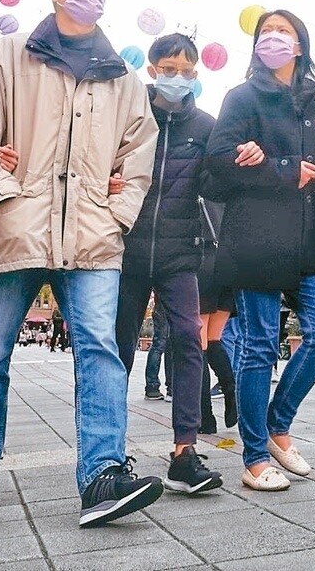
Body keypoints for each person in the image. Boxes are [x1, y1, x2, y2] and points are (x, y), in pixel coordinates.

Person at [0, 0, 162, 528]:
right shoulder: (11, 55)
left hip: (94, 237)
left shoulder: (122, 75)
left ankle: (102, 476)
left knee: (100, 349)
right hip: (18, 227)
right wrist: (1, 194)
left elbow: (139, 155)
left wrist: (117, 210)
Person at [202, 9, 315, 492]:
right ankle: (256, 455)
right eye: (266, 33)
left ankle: (276, 422)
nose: (273, 39)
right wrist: (281, 166)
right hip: (258, 238)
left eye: (283, 32)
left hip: (310, 238)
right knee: (259, 346)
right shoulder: (242, 97)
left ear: (300, 46)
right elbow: (217, 162)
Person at [114, 32, 244, 494]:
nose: (177, 79)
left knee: (190, 342)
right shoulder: (128, 117)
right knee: (118, 349)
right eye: (169, 70)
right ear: (151, 71)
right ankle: (108, 453)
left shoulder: (206, 127)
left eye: (187, 72)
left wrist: (241, 161)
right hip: (123, 251)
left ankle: (184, 453)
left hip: (182, 255)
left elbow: (219, 186)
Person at [197, 196, 238, 433]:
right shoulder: (224, 193)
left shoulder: (196, 188)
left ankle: (205, 418)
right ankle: (231, 392)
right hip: (228, 264)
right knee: (214, 340)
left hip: (203, 264)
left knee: (199, 344)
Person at [143, 305, 171, 401]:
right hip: (172, 305)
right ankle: (172, 389)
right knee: (170, 347)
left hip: (160, 306)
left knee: (157, 345)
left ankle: (152, 387)